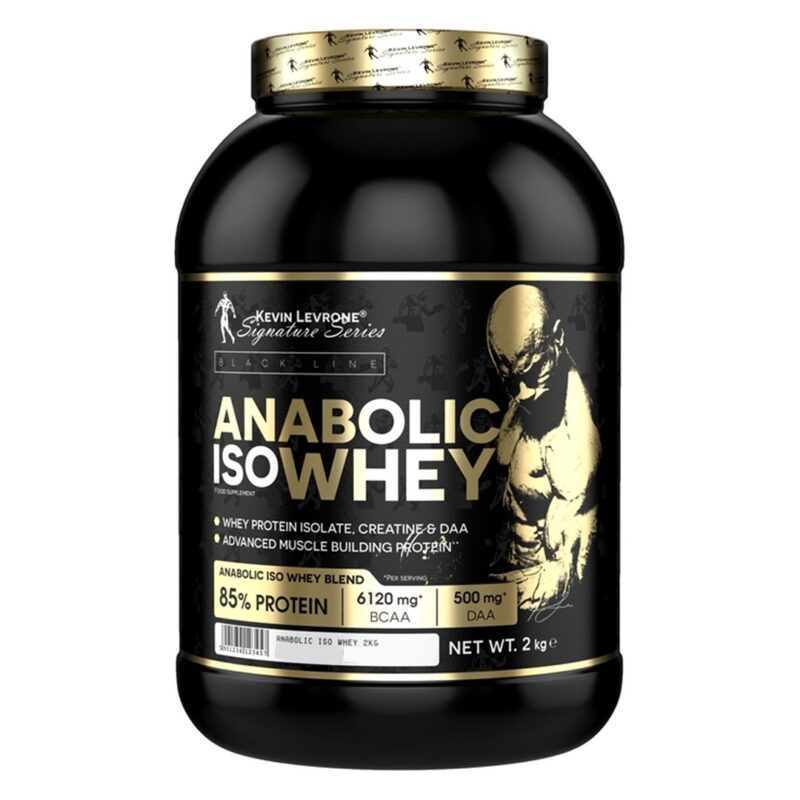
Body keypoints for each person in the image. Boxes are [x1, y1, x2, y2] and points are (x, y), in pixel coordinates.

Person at [487, 285, 600, 610]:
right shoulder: (523, 406)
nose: (522, 393)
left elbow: (569, 571)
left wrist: (502, 595)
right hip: (510, 584)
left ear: (558, 338)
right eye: (510, 380)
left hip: (545, 609)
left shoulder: (573, 443)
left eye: (533, 371)